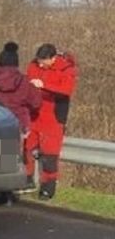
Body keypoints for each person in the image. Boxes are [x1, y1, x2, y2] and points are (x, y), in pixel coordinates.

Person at [0, 42, 41, 190]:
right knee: (17, 156)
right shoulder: (24, 81)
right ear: (16, 63)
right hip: (18, 123)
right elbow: (36, 102)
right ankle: (19, 183)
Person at [26, 43, 77, 200]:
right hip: (34, 114)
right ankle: (25, 181)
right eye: (39, 61)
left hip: (53, 117)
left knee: (50, 155)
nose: (40, 64)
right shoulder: (33, 66)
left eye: (44, 61)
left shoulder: (66, 69)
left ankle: (47, 189)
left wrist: (44, 85)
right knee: (26, 148)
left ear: (53, 58)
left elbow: (66, 90)